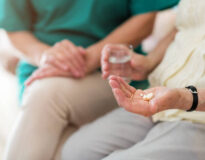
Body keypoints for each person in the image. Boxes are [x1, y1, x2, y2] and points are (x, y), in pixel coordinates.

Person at [0, 0, 179, 159]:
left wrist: (91, 58)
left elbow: (145, 18)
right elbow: (15, 27)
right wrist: (46, 56)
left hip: (113, 71)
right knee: (55, 141)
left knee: (46, 95)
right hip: (43, 68)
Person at [61, 0, 205, 160]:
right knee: (74, 151)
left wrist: (183, 97)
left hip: (197, 115)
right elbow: (184, 27)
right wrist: (149, 62)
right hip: (162, 97)